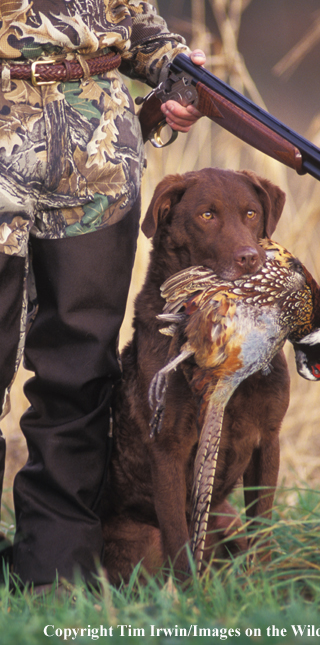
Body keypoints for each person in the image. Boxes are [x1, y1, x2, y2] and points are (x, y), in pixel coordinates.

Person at [0, 1, 205, 592]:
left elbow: (138, 25)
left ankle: (54, 573)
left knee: (81, 369)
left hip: (97, 159)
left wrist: (175, 68)